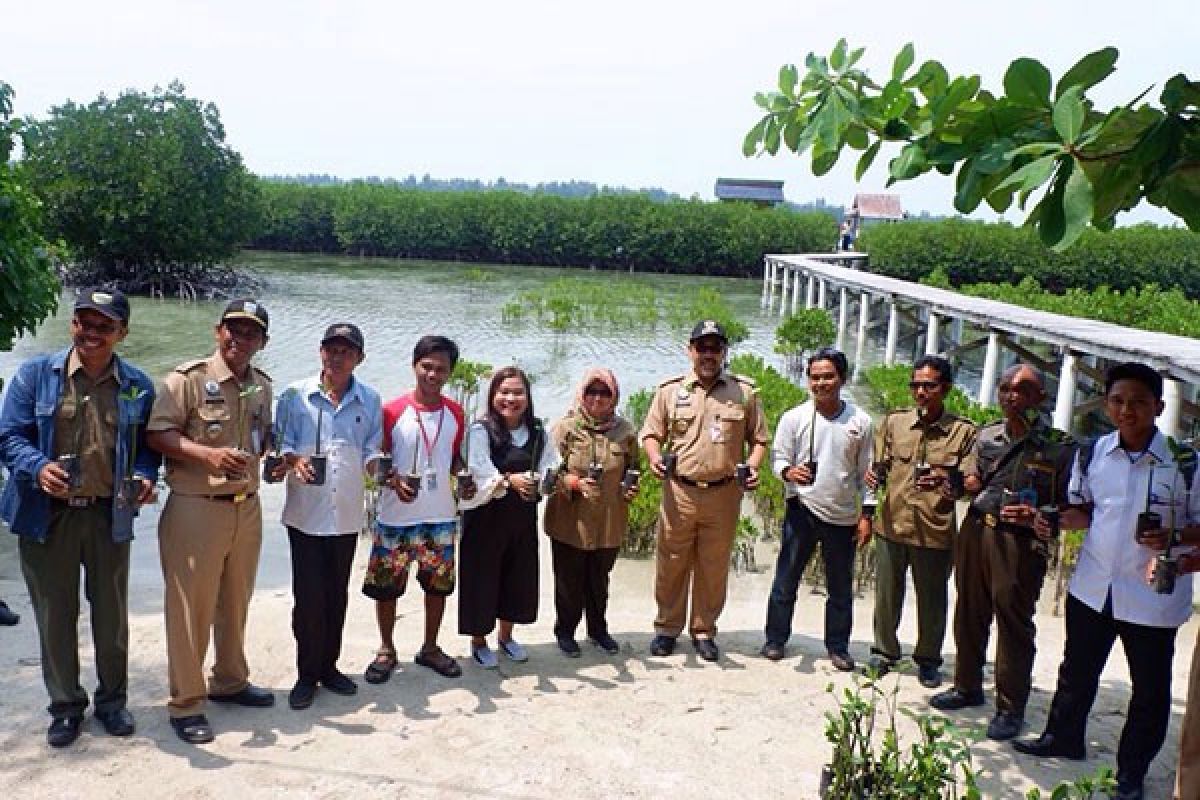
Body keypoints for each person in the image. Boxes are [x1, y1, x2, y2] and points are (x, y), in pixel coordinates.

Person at [1014, 362, 1198, 800]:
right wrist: (1053, 519)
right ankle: (1063, 736)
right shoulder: (1093, 452)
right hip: (1094, 587)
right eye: (1117, 401)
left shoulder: (1186, 463)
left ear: (1158, 406)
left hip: (1153, 596)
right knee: (1077, 670)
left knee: (1149, 691)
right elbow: (1085, 510)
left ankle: (1131, 774)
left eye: (1137, 402)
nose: (1126, 410)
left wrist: (1172, 536)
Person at [0, 287, 158, 747]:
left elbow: (149, 451)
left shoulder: (138, 385)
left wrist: (146, 478)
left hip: (110, 517)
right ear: (72, 324)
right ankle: (66, 706)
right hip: (45, 516)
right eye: (83, 322)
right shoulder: (35, 374)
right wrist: (37, 468)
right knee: (55, 617)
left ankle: (112, 702)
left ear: (121, 333)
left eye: (103, 326)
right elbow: (9, 437)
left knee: (111, 618)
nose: (91, 332)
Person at [146, 299, 274, 745]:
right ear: (217, 331)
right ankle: (186, 703)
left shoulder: (261, 386)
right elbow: (157, 432)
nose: (241, 339)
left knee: (235, 602)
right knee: (190, 612)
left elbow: (263, 439)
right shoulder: (188, 380)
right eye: (233, 329)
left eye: (251, 332)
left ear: (263, 341)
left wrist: (278, 461)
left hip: (247, 505)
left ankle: (230, 681)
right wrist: (206, 454)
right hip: (196, 506)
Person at [930, 364, 1074, 741]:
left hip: (1020, 543)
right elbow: (973, 480)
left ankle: (1010, 708)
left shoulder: (1059, 447)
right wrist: (954, 486)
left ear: (1040, 397)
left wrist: (1039, 514)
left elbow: (1070, 505)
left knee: (1013, 622)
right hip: (977, 529)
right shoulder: (987, 435)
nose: (1013, 395)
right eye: (1006, 387)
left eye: (1023, 389)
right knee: (969, 610)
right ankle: (967, 685)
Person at [640, 320, 769, 662]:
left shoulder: (744, 392)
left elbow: (759, 439)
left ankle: (703, 631)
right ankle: (667, 629)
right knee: (671, 562)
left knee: (713, 567)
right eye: (702, 347)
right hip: (678, 491)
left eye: (715, 348)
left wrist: (753, 466)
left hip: (724, 494)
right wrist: (654, 458)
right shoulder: (669, 391)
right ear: (690, 350)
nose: (708, 354)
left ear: (725, 352)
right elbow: (651, 434)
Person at [278, 323, 382, 710]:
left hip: (346, 515)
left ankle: (330, 667)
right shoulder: (294, 396)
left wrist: (380, 470)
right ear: (320, 351)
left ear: (359, 358)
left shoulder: (369, 399)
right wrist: (295, 460)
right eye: (331, 349)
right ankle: (306, 674)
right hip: (306, 514)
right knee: (307, 597)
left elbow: (372, 449)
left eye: (346, 351)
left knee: (336, 594)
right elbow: (282, 445)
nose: (337, 357)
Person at [865, 355, 977, 687]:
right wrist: (873, 478)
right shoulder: (894, 423)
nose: (921, 392)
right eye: (916, 385)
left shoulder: (964, 432)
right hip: (892, 524)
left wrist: (947, 479)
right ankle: (884, 652)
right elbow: (879, 468)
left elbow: (969, 484)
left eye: (929, 385)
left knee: (933, 600)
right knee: (886, 596)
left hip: (935, 530)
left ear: (946, 388)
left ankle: (928, 659)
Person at [761, 347, 873, 671]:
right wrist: (788, 473)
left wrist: (867, 514)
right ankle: (775, 639)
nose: (821, 383)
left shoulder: (861, 422)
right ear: (807, 379)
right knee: (786, 580)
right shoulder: (793, 417)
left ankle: (838, 647)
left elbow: (868, 474)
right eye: (815, 377)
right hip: (802, 507)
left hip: (842, 514)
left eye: (828, 376)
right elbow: (778, 458)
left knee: (840, 587)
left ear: (842, 378)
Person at [363, 335, 466, 683]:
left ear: (450, 373)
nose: (433, 375)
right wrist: (390, 480)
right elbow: (374, 461)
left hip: (439, 516)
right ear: (414, 366)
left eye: (441, 369)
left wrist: (463, 477)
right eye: (427, 367)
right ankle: (387, 647)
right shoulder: (392, 411)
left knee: (437, 587)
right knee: (386, 587)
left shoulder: (455, 412)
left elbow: (453, 458)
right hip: (396, 516)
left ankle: (431, 647)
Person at [458, 366, 559, 669]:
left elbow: (551, 463)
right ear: (493, 396)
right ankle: (478, 640)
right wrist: (508, 481)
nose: (510, 399)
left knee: (517, 577)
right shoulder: (481, 430)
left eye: (518, 392)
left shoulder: (538, 431)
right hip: (485, 517)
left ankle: (506, 636)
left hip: (521, 518)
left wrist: (543, 481)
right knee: (482, 578)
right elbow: (479, 467)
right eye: (504, 392)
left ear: (527, 397)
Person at [544, 368, 639, 657]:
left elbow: (634, 470)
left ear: (614, 397)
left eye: (604, 392)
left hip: (608, 520)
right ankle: (565, 632)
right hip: (569, 520)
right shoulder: (565, 428)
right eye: (591, 392)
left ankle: (598, 631)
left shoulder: (626, 432)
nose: (597, 398)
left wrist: (631, 489)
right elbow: (546, 477)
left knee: (599, 580)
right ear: (582, 394)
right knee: (568, 582)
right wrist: (570, 482)